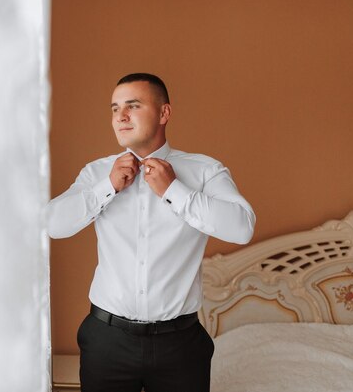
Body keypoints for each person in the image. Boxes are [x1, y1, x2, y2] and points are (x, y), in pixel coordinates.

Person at [46, 73, 255, 392]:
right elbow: (52, 224)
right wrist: (108, 187)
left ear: (164, 113)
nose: (121, 116)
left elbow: (241, 228)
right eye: (115, 108)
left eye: (133, 105)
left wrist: (176, 190)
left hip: (180, 345)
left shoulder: (204, 171)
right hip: (106, 340)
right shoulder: (97, 173)